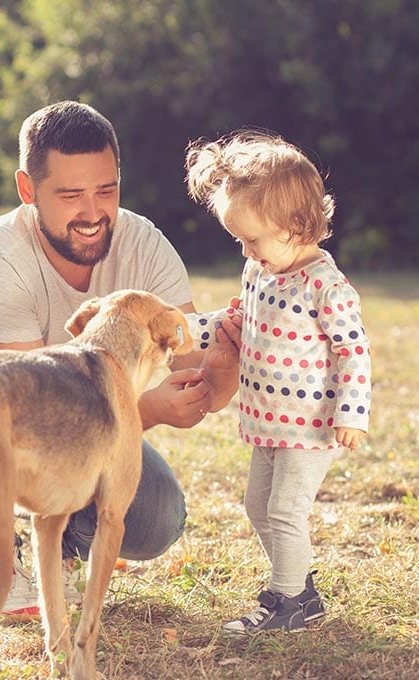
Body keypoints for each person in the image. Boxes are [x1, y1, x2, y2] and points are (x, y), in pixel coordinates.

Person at [0, 100, 241, 617]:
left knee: (158, 517)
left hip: (88, 428)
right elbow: (35, 421)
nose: (92, 213)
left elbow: (193, 370)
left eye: (106, 190)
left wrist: (222, 366)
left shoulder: (144, 245)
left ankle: (60, 544)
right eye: (70, 195)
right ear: (28, 190)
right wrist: (148, 409)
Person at [184, 130, 371, 635]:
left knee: (286, 509)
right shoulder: (259, 272)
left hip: (310, 426)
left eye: (253, 239)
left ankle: (288, 602)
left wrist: (352, 413)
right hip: (266, 420)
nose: (247, 251)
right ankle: (300, 588)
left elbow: (353, 350)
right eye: (240, 241)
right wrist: (185, 330)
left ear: (297, 225)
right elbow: (236, 323)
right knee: (257, 507)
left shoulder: (325, 286)